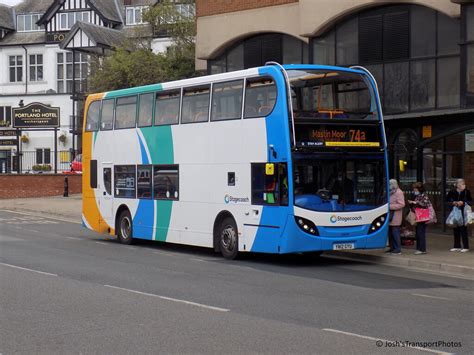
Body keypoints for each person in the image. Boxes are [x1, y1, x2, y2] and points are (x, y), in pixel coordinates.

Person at [447, 178, 472, 252]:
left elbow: (471, 201)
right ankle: (457, 246)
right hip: (455, 212)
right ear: (456, 185)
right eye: (460, 184)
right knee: (456, 229)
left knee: (463, 230)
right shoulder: (452, 192)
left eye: (462, 184)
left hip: (463, 213)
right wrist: (453, 202)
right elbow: (447, 201)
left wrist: (463, 202)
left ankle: (466, 247)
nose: (461, 186)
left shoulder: (466, 192)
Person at [407, 182, 431, 255]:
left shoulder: (424, 195)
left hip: (422, 216)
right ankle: (419, 248)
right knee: (418, 232)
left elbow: (425, 204)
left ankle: (422, 249)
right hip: (418, 215)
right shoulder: (418, 195)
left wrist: (415, 203)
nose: (414, 190)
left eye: (415, 189)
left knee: (421, 232)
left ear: (419, 189)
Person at [387, 179, 405, 255]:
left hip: (395, 216)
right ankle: (392, 248)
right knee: (390, 233)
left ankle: (397, 249)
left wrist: (389, 206)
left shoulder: (399, 192)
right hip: (390, 215)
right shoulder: (391, 192)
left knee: (395, 232)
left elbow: (401, 204)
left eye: (389, 184)